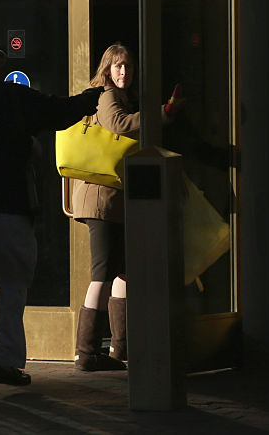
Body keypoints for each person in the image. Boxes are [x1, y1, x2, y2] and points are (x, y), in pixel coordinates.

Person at [0, 38, 103, 398]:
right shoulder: (15, 97)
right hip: (9, 205)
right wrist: (96, 92)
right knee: (12, 285)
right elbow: (63, 111)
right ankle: (3, 361)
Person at [69, 42, 183, 371]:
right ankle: (87, 351)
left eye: (128, 66)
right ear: (107, 69)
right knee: (102, 274)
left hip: (113, 198)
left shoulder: (121, 97)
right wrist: (164, 112)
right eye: (118, 66)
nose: (124, 72)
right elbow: (119, 125)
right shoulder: (106, 95)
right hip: (101, 199)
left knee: (122, 272)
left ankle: (120, 348)